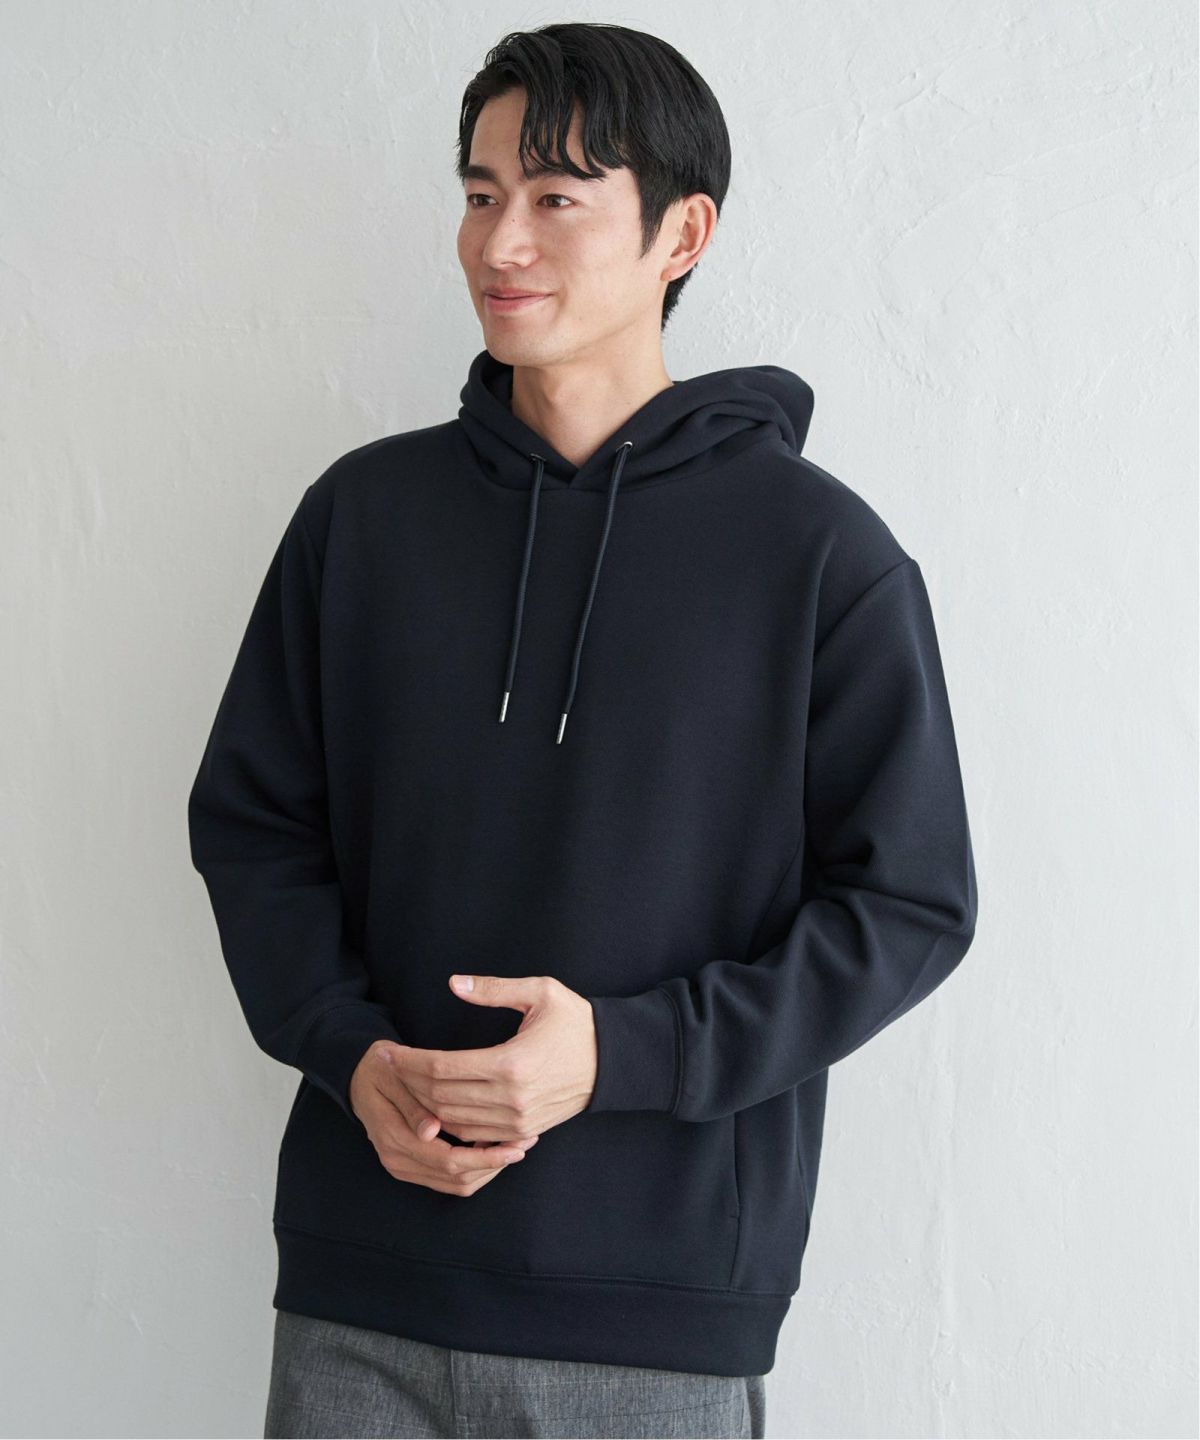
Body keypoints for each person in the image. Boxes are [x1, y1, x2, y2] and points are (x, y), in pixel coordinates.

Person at [187, 20, 978, 1440]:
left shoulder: (820, 558)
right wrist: (350, 1053)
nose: (501, 241)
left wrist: (622, 1054)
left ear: (683, 232)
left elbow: (910, 904)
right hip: (363, 1291)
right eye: (480, 192)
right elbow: (254, 826)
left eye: (557, 196)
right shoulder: (362, 520)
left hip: (656, 1313)